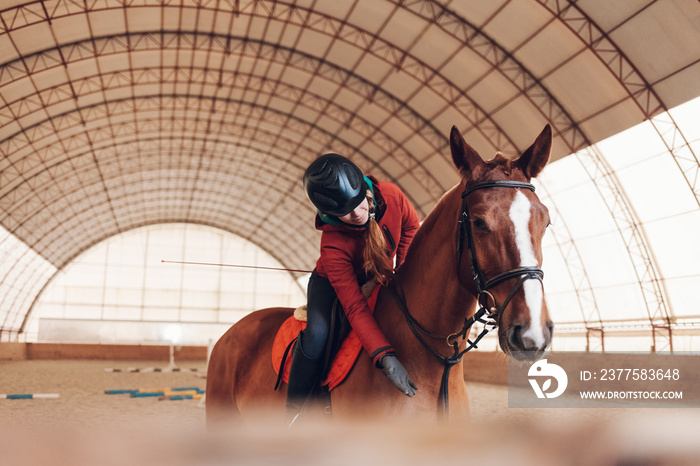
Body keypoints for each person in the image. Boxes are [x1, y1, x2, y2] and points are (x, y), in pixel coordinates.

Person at [286, 152, 421, 422]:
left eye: (359, 204)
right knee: (317, 334)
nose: (358, 214)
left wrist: (401, 269)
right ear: (328, 214)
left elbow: (411, 226)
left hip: (380, 273)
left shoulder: (392, 196)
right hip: (331, 284)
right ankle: (294, 410)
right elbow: (354, 307)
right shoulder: (332, 246)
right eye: (345, 213)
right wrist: (385, 356)